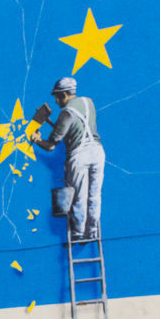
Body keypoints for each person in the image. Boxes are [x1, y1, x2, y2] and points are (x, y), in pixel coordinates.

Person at [30, 76, 105, 240]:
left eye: (57, 96)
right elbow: (79, 128)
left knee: (79, 196)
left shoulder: (66, 113)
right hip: (98, 152)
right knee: (94, 195)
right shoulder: (88, 102)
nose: (56, 101)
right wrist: (59, 128)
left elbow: (50, 146)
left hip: (80, 155)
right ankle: (92, 231)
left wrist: (36, 139)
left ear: (64, 94)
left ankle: (78, 232)